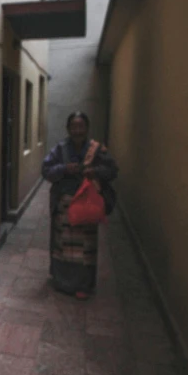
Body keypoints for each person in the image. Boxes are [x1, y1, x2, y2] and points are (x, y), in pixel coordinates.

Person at [41, 111, 119, 300]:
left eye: (81, 126)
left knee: (85, 248)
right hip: (64, 206)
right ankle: (62, 281)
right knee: (63, 246)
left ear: (87, 128)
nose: (77, 130)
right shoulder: (60, 150)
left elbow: (112, 170)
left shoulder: (96, 150)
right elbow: (46, 170)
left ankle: (83, 285)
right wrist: (64, 169)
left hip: (87, 205)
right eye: (74, 126)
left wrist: (95, 171)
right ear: (68, 128)